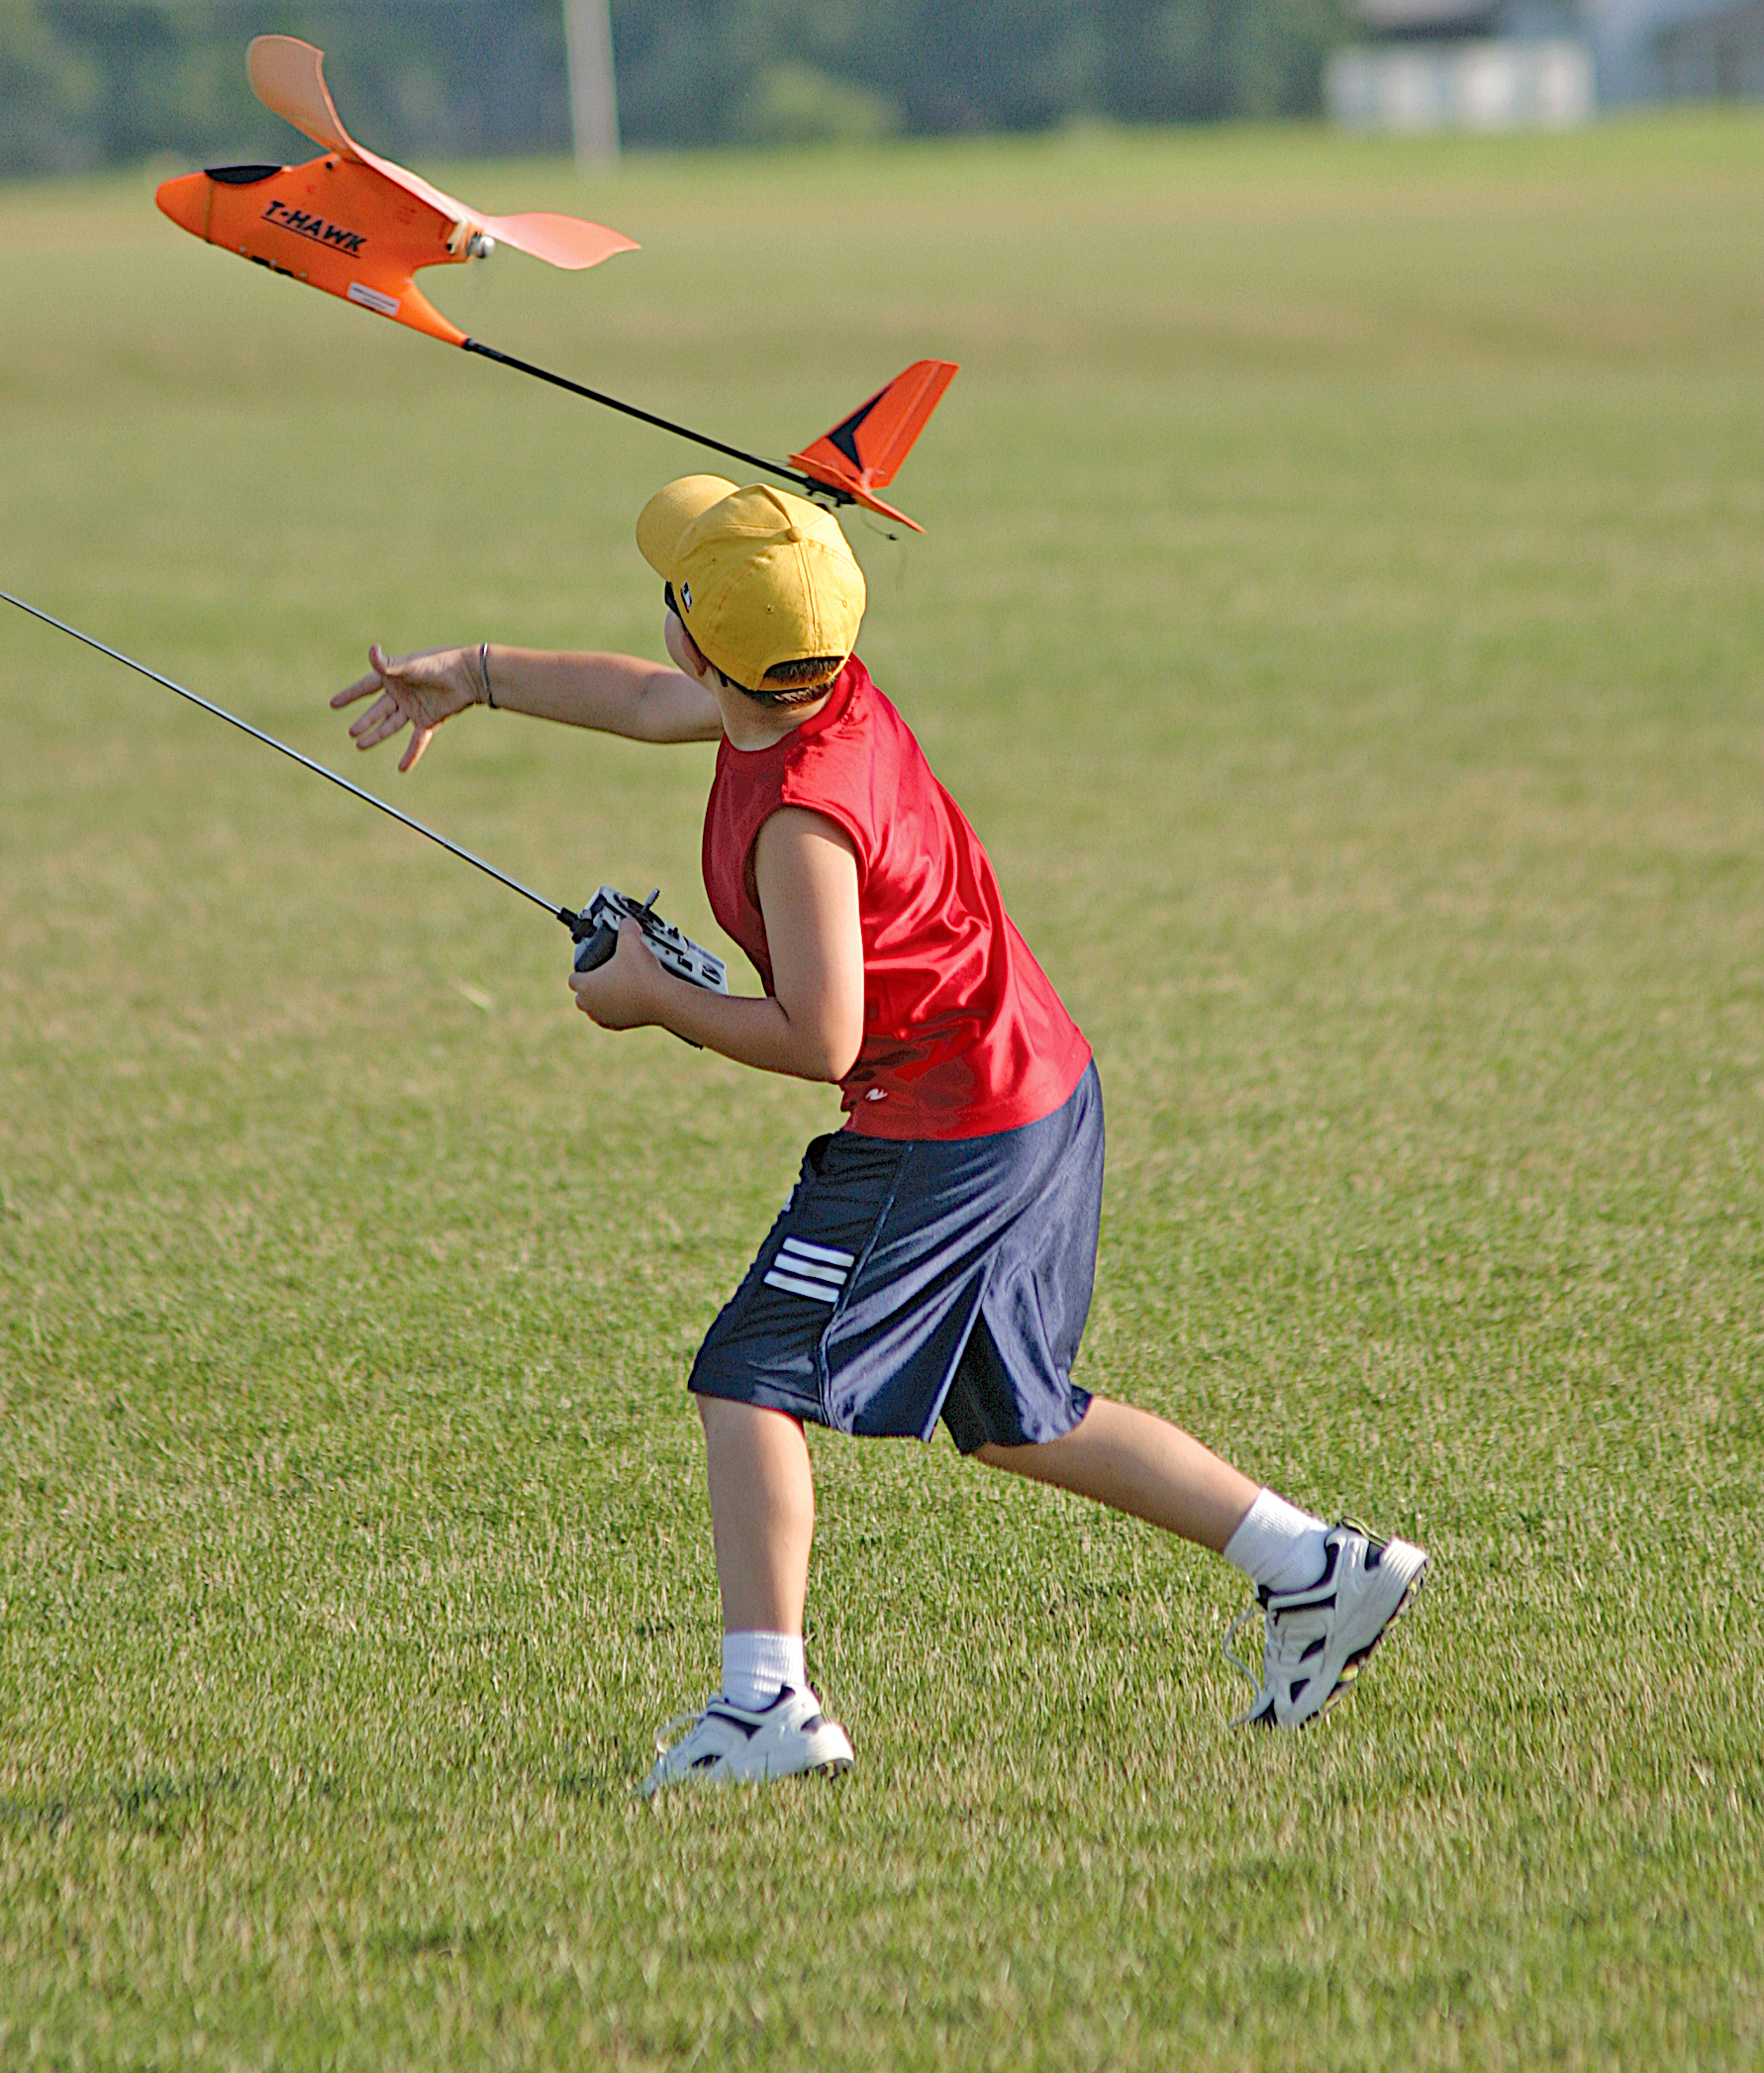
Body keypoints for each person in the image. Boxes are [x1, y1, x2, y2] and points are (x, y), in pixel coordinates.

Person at [332, 478, 1424, 1792]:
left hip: (946, 1130)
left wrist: (655, 1003)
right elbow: (639, 702)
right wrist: (481, 676)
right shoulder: (804, 689)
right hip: (1028, 1083)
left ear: (699, 635)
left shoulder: (801, 820)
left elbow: (820, 1038)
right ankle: (1317, 1571)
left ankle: (764, 1705)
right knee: (1016, 1414)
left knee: (750, 1376)